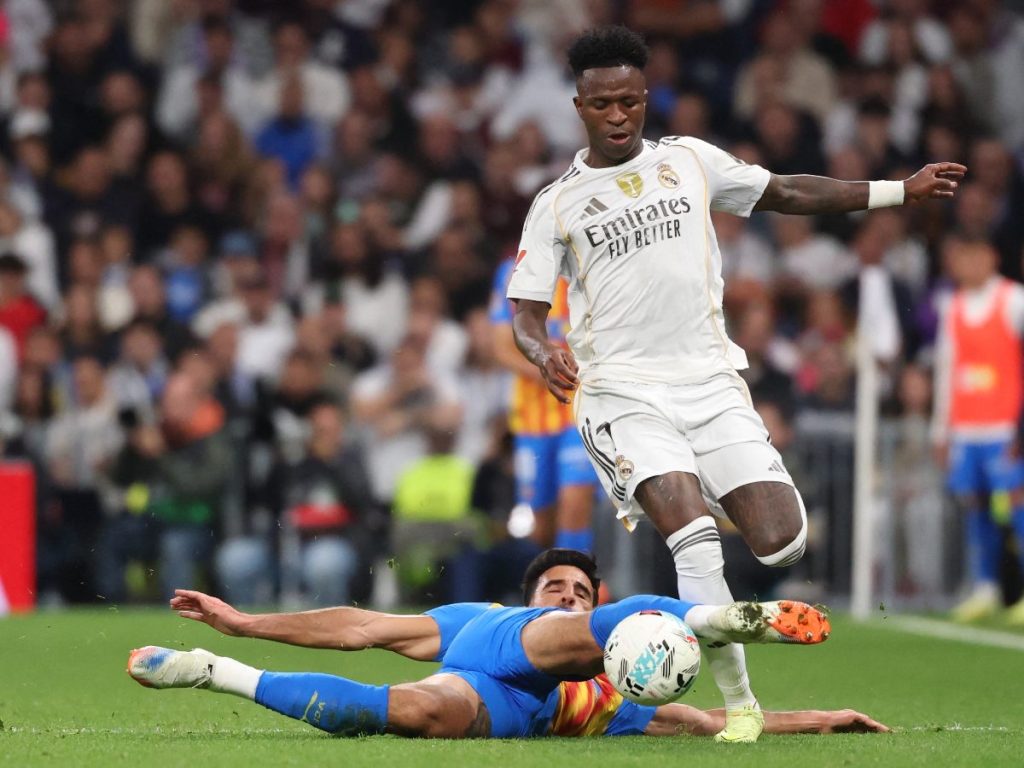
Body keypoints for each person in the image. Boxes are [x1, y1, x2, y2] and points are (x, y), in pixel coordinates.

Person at [506, 26, 965, 742]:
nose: (619, 115)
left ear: (646, 98)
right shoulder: (557, 204)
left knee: (782, 543)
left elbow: (784, 190)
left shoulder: (689, 161)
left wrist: (895, 191)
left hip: (712, 382)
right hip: (623, 393)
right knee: (692, 539)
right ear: (579, 106)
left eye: (630, 101)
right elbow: (525, 310)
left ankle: (710, 502)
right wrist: (541, 351)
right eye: (603, 105)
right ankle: (742, 708)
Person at [128, 549, 869, 740]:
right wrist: (248, 620)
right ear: (531, 593)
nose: (570, 593)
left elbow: (711, 724)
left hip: (512, 706)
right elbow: (358, 626)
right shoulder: (475, 617)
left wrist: (828, 717)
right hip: (502, 653)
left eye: (581, 590)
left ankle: (216, 675)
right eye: (557, 586)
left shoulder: (615, 703)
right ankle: (713, 617)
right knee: (604, 628)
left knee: (406, 716)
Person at [932, 237, 1024, 623]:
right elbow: (945, 370)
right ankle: (985, 587)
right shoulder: (951, 307)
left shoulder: (1014, 300)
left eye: (975, 254)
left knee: (1015, 509)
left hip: (1005, 427)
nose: (968, 263)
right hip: (967, 430)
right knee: (975, 510)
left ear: (992, 256)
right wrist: (940, 430)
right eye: (961, 255)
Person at [490, 256, 599, 550]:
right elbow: (501, 346)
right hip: (532, 419)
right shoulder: (511, 271)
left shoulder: (592, 261)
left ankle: (577, 587)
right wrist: (546, 366)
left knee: (575, 504)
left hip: (580, 409)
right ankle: (552, 583)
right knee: (541, 527)